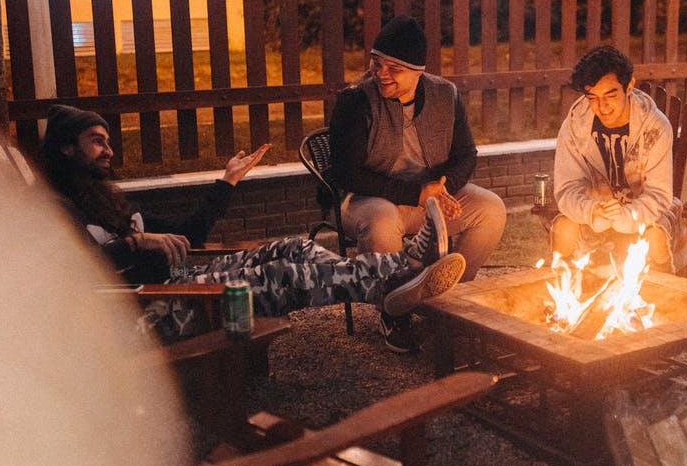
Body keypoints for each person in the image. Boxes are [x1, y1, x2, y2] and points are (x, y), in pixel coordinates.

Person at [41, 103, 464, 352]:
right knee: (280, 276)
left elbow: (189, 236)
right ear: (66, 148)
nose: (109, 150)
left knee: (294, 249)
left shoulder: (106, 200)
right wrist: (136, 242)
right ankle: (399, 272)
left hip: (181, 280)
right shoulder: (58, 211)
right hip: (149, 310)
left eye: (108, 140)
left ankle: (392, 279)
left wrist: (227, 182)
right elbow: (74, 273)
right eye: (97, 140)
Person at [328, 15, 507, 341]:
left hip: (428, 196)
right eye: (376, 63)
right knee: (381, 221)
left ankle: (449, 298)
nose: (381, 73)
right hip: (368, 198)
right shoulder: (355, 101)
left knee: (491, 208)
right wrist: (417, 194)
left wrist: (443, 189)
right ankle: (393, 312)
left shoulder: (445, 95)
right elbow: (345, 173)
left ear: (417, 72)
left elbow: (466, 154)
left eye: (393, 68)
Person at [551, 45, 687, 274]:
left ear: (629, 87)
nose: (602, 107)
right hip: (597, 209)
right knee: (564, 228)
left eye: (610, 95)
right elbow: (567, 187)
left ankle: (663, 292)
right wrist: (592, 211)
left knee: (655, 236)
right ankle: (571, 291)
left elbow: (659, 194)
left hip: (647, 210)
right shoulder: (575, 126)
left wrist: (626, 216)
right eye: (593, 98)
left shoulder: (655, 127)